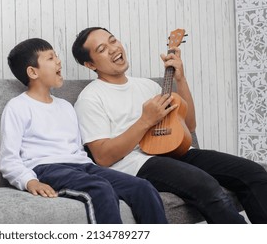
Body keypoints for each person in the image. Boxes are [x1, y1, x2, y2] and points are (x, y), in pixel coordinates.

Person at [72, 27, 267, 224]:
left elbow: (189, 125)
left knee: (253, 172)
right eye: (102, 49)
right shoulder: (90, 98)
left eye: (113, 41)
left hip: (175, 151)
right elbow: (103, 157)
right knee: (205, 185)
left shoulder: (147, 86)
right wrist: (145, 121)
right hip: (136, 163)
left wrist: (180, 79)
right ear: (90, 64)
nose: (113, 49)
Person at [0, 37, 168, 224]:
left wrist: (91, 169)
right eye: (50, 58)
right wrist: (29, 181)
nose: (58, 61)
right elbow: (9, 160)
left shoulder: (65, 107)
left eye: (56, 55)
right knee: (100, 188)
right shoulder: (17, 107)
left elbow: (78, 150)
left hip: (82, 166)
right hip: (46, 169)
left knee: (142, 187)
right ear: (32, 72)